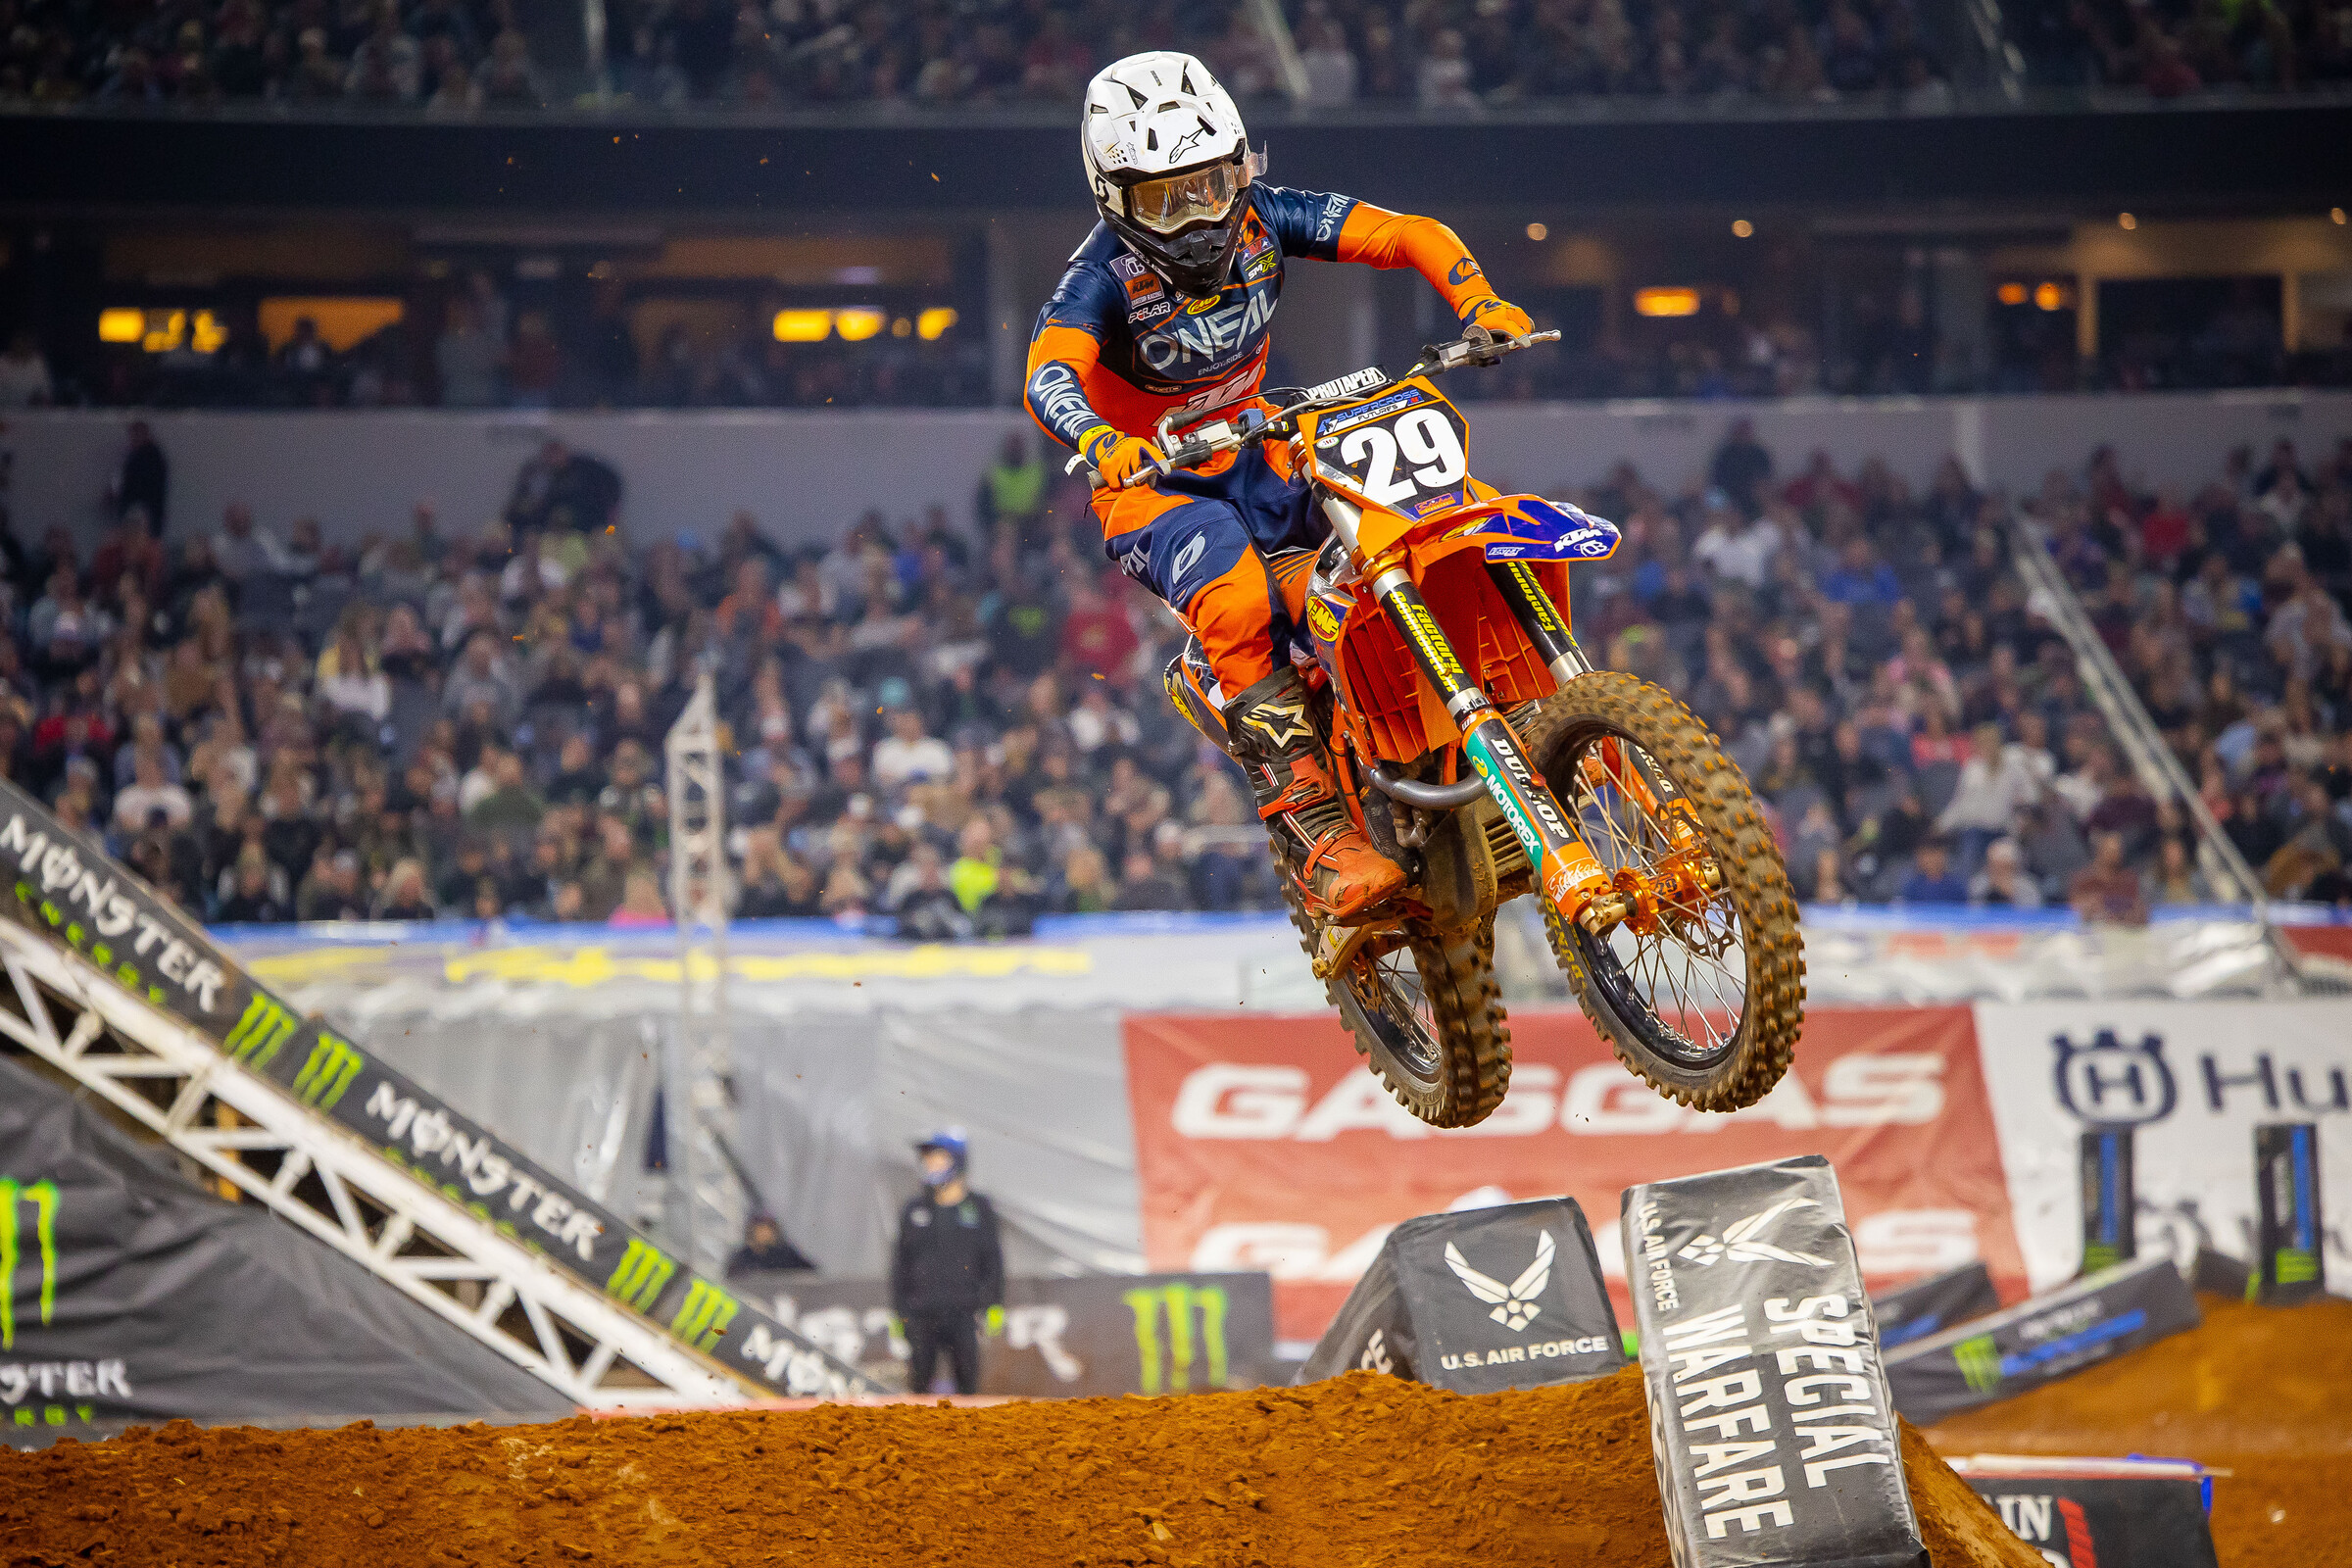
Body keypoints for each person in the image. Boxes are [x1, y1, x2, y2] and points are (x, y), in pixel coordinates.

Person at [1024, 51, 1533, 923]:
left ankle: (1516, 708)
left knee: (1419, 506)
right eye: (1165, 200)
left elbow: (1407, 232)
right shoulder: (1100, 276)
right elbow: (1047, 373)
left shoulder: (1266, 213)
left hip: (1261, 440)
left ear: (1240, 164)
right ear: (1114, 199)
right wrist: (1098, 439)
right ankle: (1316, 830)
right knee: (1235, 594)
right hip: (1153, 483)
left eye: (1212, 183)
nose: (1199, 216)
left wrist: (1479, 301)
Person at [887, 1128, 1003, 1397]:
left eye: (938, 1158)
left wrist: (993, 1304)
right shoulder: (914, 1209)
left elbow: (993, 1261)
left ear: (957, 1161)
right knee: (918, 1387)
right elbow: (900, 1265)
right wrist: (899, 1311)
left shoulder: (980, 1208)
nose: (930, 1164)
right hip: (921, 1315)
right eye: (927, 1159)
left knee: (968, 1388)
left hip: (964, 1314)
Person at [726, 1211, 817, 1277]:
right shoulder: (742, 1257)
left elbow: (811, 1273)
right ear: (752, 1231)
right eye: (761, 1229)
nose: (765, 1233)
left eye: (769, 1229)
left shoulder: (786, 1255)